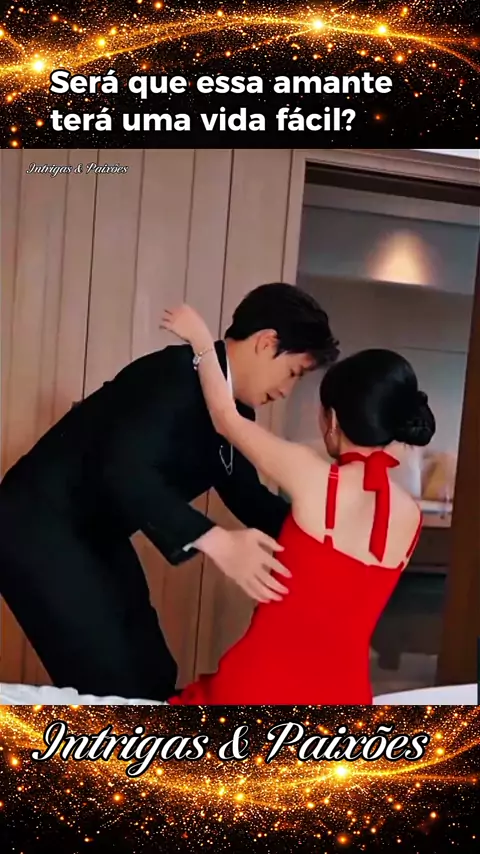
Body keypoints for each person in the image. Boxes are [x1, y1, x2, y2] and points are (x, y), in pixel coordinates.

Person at [0, 283, 338, 701]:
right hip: (37, 526)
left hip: (95, 534)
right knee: (111, 682)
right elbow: (123, 468)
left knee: (152, 669)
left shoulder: (233, 414)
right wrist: (218, 541)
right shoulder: (172, 374)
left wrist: (333, 537)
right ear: (267, 343)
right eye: (293, 373)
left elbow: (249, 497)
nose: (287, 391)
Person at [161, 304, 436, 705]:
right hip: (344, 701)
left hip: (255, 691)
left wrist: (201, 339)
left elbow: (225, 418)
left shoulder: (311, 474)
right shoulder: (411, 515)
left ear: (333, 421)